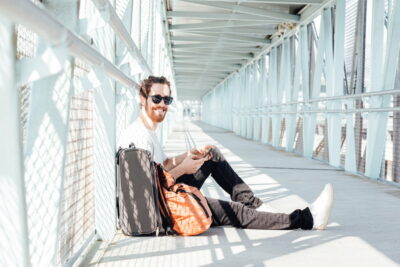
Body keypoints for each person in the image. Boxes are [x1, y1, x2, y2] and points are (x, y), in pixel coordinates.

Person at [119, 75, 334, 231]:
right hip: (166, 209)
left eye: (167, 100)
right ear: (142, 97)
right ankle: (307, 220)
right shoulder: (138, 137)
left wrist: (186, 156)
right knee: (233, 212)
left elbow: (162, 165)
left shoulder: (148, 130)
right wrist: (183, 169)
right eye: (156, 99)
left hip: (168, 193)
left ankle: (256, 204)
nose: (162, 105)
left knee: (212, 153)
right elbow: (146, 191)